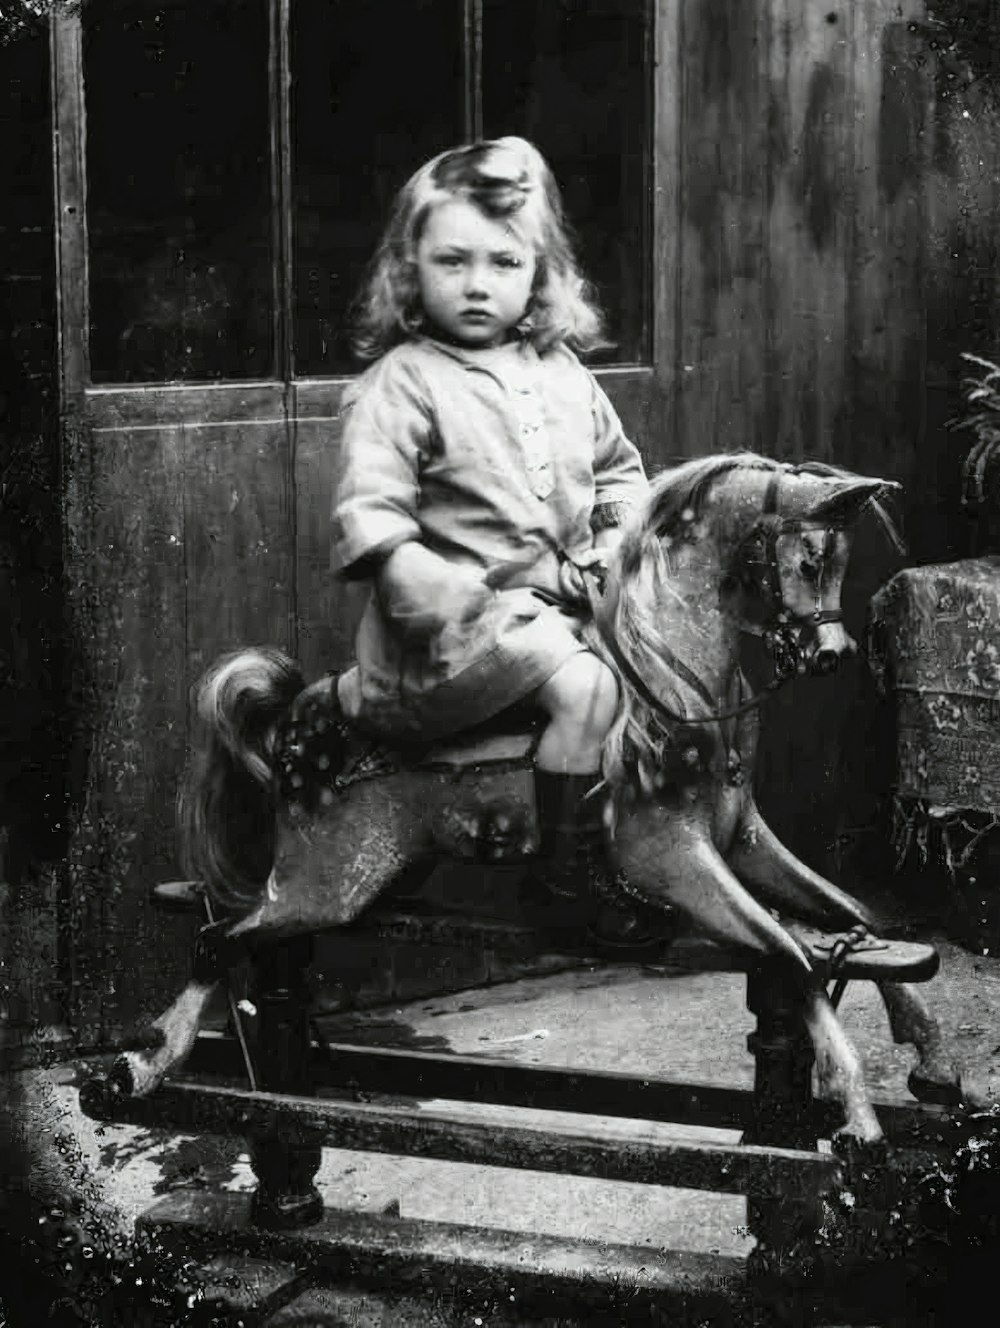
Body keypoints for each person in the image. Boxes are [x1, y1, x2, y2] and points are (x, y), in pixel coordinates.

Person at [331, 137, 656, 947]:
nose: (479, 284)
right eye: (452, 262)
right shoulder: (402, 381)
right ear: (410, 272)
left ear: (541, 274)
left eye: (505, 263)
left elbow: (620, 472)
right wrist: (407, 568)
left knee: (663, 679)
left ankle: (635, 858)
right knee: (589, 693)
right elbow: (371, 506)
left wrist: (611, 544)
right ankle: (565, 889)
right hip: (444, 640)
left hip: (548, 615)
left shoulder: (563, 371)